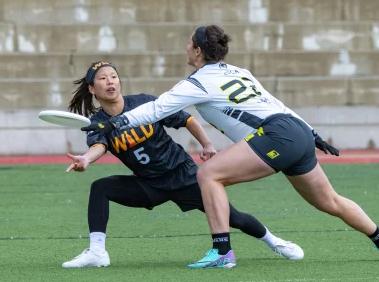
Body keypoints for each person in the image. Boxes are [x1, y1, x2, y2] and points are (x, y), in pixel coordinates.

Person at [82, 25, 379, 269]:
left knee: (209, 175)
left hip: (276, 135)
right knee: (330, 201)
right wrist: (313, 134)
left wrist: (115, 124)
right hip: (296, 131)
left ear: (198, 50)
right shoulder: (239, 71)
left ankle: (222, 252)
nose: (186, 48)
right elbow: (276, 104)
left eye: (189, 44)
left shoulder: (196, 83)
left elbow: (157, 109)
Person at [61, 61, 304, 268]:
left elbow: (187, 120)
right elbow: (99, 146)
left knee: (234, 217)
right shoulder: (99, 121)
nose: (110, 81)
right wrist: (86, 159)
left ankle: (274, 242)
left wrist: (207, 144)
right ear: (92, 88)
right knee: (101, 187)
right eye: (102, 79)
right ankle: (97, 252)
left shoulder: (144, 103)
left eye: (113, 76)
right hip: (149, 184)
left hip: (182, 175)